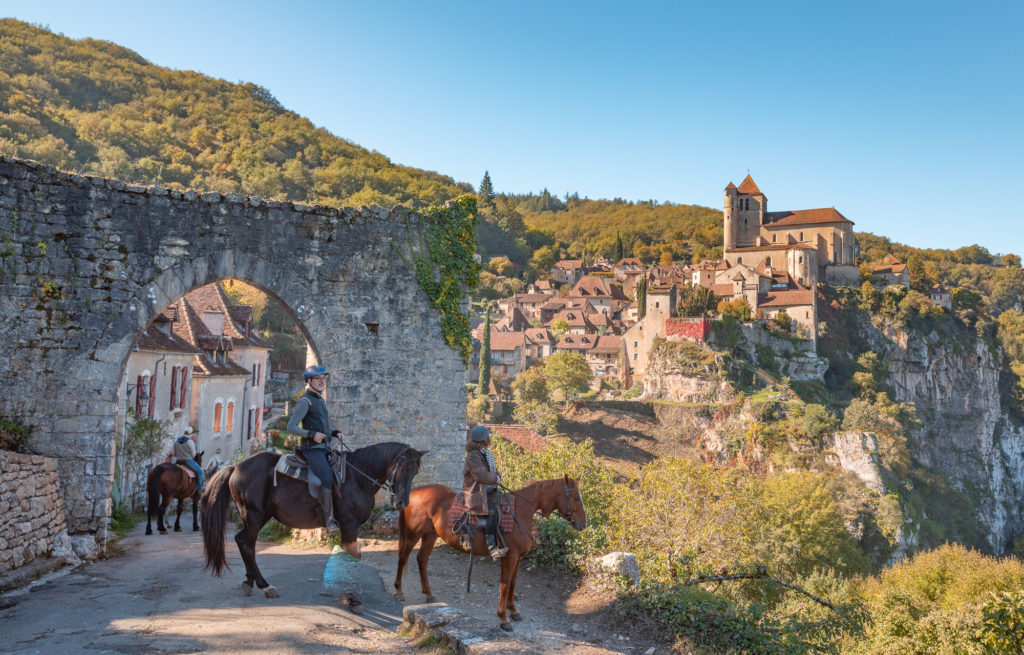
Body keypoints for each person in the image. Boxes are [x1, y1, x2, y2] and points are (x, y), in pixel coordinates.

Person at [287, 364, 343, 536]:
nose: (322, 381)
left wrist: (334, 432)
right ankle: (329, 522)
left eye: (323, 378)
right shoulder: (305, 401)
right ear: (309, 381)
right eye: (318, 379)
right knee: (326, 478)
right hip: (312, 450)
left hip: (325, 447)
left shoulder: (320, 400)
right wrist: (311, 434)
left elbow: (323, 425)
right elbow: (291, 427)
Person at [463, 425, 508, 559]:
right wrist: (495, 478)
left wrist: (497, 476)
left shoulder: (485, 454)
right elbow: (480, 475)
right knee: (492, 513)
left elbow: (492, 470)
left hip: (488, 489)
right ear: (484, 440)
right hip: (476, 491)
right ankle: (492, 549)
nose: (489, 439)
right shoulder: (473, 456)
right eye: (488, 437)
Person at [172, 427, 204, 491]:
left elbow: (173, 453)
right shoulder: (190, 442)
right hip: (187, 460)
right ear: (190, 434)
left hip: (178, 460)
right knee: (200, 472)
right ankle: (200, 488)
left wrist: (178, 455)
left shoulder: (176, 440)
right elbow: (193, 454)